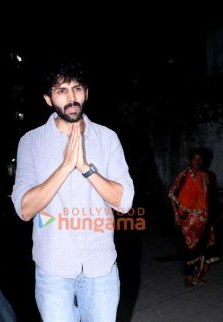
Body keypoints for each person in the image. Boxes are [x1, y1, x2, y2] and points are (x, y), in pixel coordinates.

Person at [11, 56, 134, 322]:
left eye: (77, 88)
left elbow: (124, 202)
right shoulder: (30, 142)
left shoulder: (107, 138)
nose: (71, 97)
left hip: (100, 267)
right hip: (53, 269)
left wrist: (86, 168)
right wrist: (66, 166)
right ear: (48, 98)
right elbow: (24, 209)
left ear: (86, 93)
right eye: (62, 90)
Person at [168, 147, 220, 287]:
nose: (197, 162)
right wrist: (176, 215)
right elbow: (172, 195)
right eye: (194, 159)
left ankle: (197, 275)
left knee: (203, 248)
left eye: (200, 159)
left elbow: (209, 198)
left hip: (203, 219)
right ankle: (188, 277)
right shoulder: (183, 176)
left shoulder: (206, 176)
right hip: (187, 221)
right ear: (190, 160)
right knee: (191, 250)